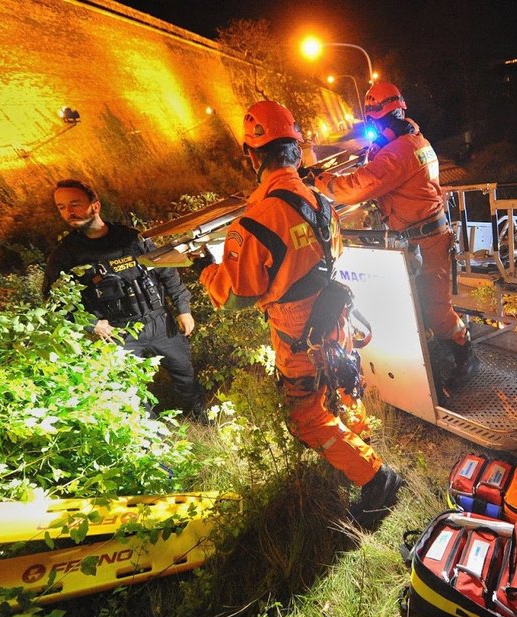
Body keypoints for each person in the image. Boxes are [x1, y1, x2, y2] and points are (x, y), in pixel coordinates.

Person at [190, 100, 402, 528]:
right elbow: (332, 250)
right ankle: (357, 440)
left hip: (296, 329)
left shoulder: (257, 219)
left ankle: (376, 478)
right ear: (297, 150)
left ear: (252, 155)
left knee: (305, 416)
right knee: (343, 381)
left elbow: (235, 295)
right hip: (333, 313)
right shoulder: (320, 201)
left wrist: (205, 270)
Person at [314, 82, 479, 392]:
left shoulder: (399, 152)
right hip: (423, 236)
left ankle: (464, 352)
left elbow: (358, 186)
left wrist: (323, 181)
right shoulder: (413, 140)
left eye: (375, 122)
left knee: (436, 310)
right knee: (419, 303)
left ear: (381, 119)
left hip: (425, 240)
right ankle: (439, 354)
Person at [43, 179, 201, 413]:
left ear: (95, 206)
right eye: (62, 207)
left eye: (75, 204)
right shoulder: (66, 255)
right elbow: (52, 299)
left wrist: (183, 308)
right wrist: (91, 324)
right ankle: (153, 441)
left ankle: (201, 419)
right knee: (134, 393)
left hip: (160, 323)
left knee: (185, 376)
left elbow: (166, 271)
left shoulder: (132, 238)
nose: (69, 212)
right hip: (118, 334)